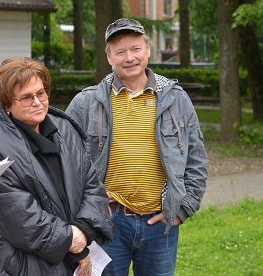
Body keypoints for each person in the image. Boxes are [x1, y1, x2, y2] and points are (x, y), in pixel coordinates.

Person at [66, 18, 208, 276]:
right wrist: (87, 212)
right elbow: (66, 162)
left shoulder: (176, 99)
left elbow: (196, 158)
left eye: (136, 49)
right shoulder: (86, 102)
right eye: (120, 52)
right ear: (109, 57)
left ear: (148, 51)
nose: (129, 57)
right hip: (107, 223)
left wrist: (183, 208)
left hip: (160, 225)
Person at [0, 57, 114, 276]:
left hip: (73, 256)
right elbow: (21, 218)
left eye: (41, 93)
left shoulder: (66, 129)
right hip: (22, 266)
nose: (38, 102)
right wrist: (72, 241)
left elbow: (92, 185)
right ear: (6, 104)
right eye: (26, 97)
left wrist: (83, 231)